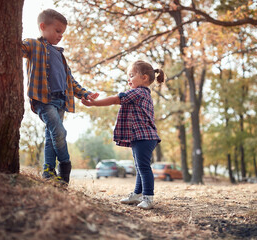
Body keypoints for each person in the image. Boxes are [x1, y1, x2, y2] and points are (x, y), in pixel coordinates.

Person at [22, 9, 99, 184]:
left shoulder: (60, 55)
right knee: (59, 132)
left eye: (62, 33)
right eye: (57, 31)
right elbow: (16, 48)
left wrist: (85, 93)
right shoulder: (33, 44)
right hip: (43, 99)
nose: (60, 36)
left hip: (61, 101)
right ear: (43, 27)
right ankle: (65, 165)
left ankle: (48, 172)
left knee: (51, 137)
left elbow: (70, 80)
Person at [81, 60, 164, 209]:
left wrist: (95, 103)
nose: (128, 79)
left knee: (143, 167)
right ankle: (137, 194)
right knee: (139, 167)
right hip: (141, 136)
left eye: (131, 75)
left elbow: (115, 99)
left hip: (144, 136)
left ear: (144, 77)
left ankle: (148, 197)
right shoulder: (143, 94)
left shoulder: (138, 92)